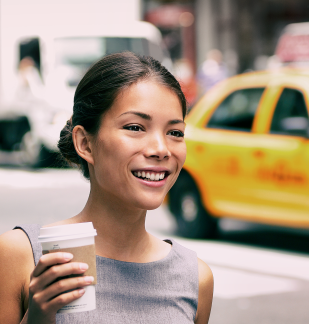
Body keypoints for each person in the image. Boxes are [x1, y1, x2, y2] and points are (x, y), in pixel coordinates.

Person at [0, 52, 214, 324]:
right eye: (136, 127)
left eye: (175, 132)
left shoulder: (195, 277)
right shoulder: (21, 256)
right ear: (85, 143)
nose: (161, 149)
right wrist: (37, 317)